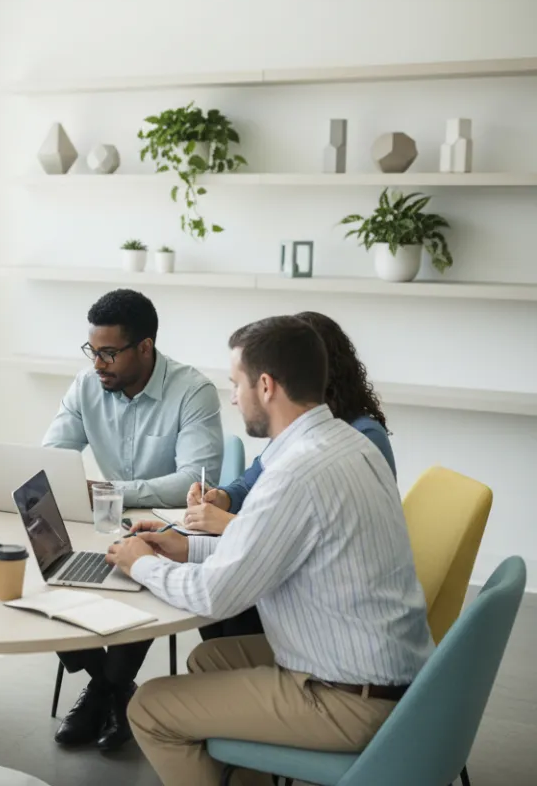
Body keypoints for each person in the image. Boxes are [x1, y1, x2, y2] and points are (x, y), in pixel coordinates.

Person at [112, 316, 431, 786]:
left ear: (265, 386)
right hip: (397, 678)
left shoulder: (296, 474)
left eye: (235, 383)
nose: (233, 397)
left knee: (149, 709)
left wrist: (141, 564)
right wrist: (183, 549)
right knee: (210, 659)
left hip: (347, 701)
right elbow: (270, 546)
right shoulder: (348, 442)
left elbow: (216, 598)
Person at [42, 288, 223, 753]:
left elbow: (196, 479)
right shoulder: (87, 386)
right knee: (42, 567)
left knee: (141, 569)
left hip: (167, 528)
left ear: (145, 347)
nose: (97, 363)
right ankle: (114, 690)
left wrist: (111, 494)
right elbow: (53, 456)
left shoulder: (192, 391)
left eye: (108, 353)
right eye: (92, 350)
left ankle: (103, 689)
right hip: (108, 521)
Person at [183, 310, 398, 641]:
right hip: (305, 585)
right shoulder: (299, 430)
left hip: (331, 609)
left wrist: (225, 525)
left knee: (225, 592)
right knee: (218, 610)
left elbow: (304, 534)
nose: (235, 397)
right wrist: (223, 498)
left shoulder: (357, 439)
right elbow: (253, 478)